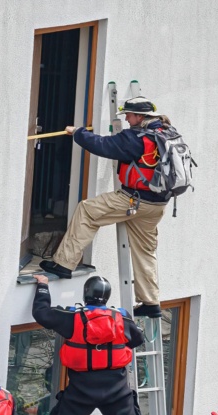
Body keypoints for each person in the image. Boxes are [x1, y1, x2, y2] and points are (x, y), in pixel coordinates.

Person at [18, 274, 155, 415]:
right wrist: (123, 319)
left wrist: (43, 286)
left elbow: (41, 313)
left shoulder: (72, 318)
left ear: (86, 295)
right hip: (117, 391)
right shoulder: (120, 319)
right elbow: (137, 339)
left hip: (81, 389)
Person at [38, 96, 171, 318]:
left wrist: (78, 133)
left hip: (134, 200)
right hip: (157, 204)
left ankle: (63, 263)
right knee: (145, 251)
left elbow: (103, 145)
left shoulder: (136, 137)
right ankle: (150, 302)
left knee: (87, 210)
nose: (127, 119)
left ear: (140, 117)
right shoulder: (165, 131)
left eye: (128, 115)